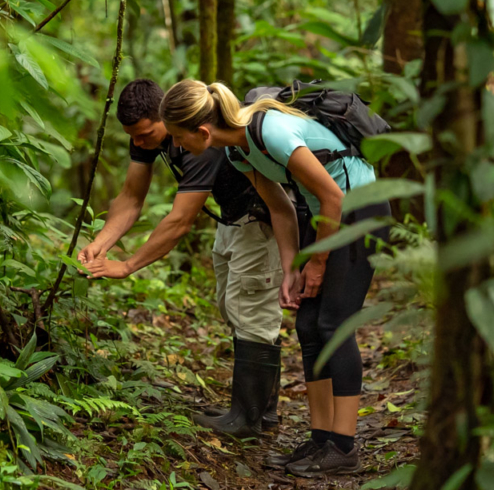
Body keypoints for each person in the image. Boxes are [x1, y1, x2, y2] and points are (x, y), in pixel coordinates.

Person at [159, 80, 390, 478]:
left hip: (358, 212)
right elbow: (280, 208)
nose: (177, 147)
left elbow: (334, 196)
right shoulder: (237, 149)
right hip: (324, 220)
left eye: (179, 138)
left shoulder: (271, 132)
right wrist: (291, 269)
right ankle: (321, 439)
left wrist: (316, 264)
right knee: (307, 324)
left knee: (334, 324)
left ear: (202, 132)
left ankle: (344, 448)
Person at [79, 79, 300, 438]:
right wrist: (101, 243)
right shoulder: (149, 135)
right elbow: (131, 196)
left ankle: (248, 418)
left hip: (262, 222)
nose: (138, 142)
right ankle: (258, 409)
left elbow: (180, 221)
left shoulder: (197, 140)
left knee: (250, 311)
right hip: (233, 218)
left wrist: (128, 265)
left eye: (145, 133)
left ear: (164, 119)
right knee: (232, 307)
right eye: (131, 136)